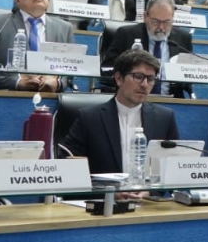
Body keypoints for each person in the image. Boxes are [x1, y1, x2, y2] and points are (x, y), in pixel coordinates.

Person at [61, 50, 179, 180]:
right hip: (104, 198)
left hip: (146, 199)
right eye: (138, 77)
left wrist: (147, 191)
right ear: (118, 78)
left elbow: (173, 169)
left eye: (150, 79)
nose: (145, 85)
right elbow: (68, 167)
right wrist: (110, 192)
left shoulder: (164, 118)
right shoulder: (89, 118)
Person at [102, 0, 194, 98]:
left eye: (167, 22)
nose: (161, 27)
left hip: (172, 101)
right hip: (132, 99)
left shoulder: (183, 39)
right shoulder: (126, 34)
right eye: (155, 21)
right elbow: (107, 70)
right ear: (145, 16)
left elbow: (187, 78)